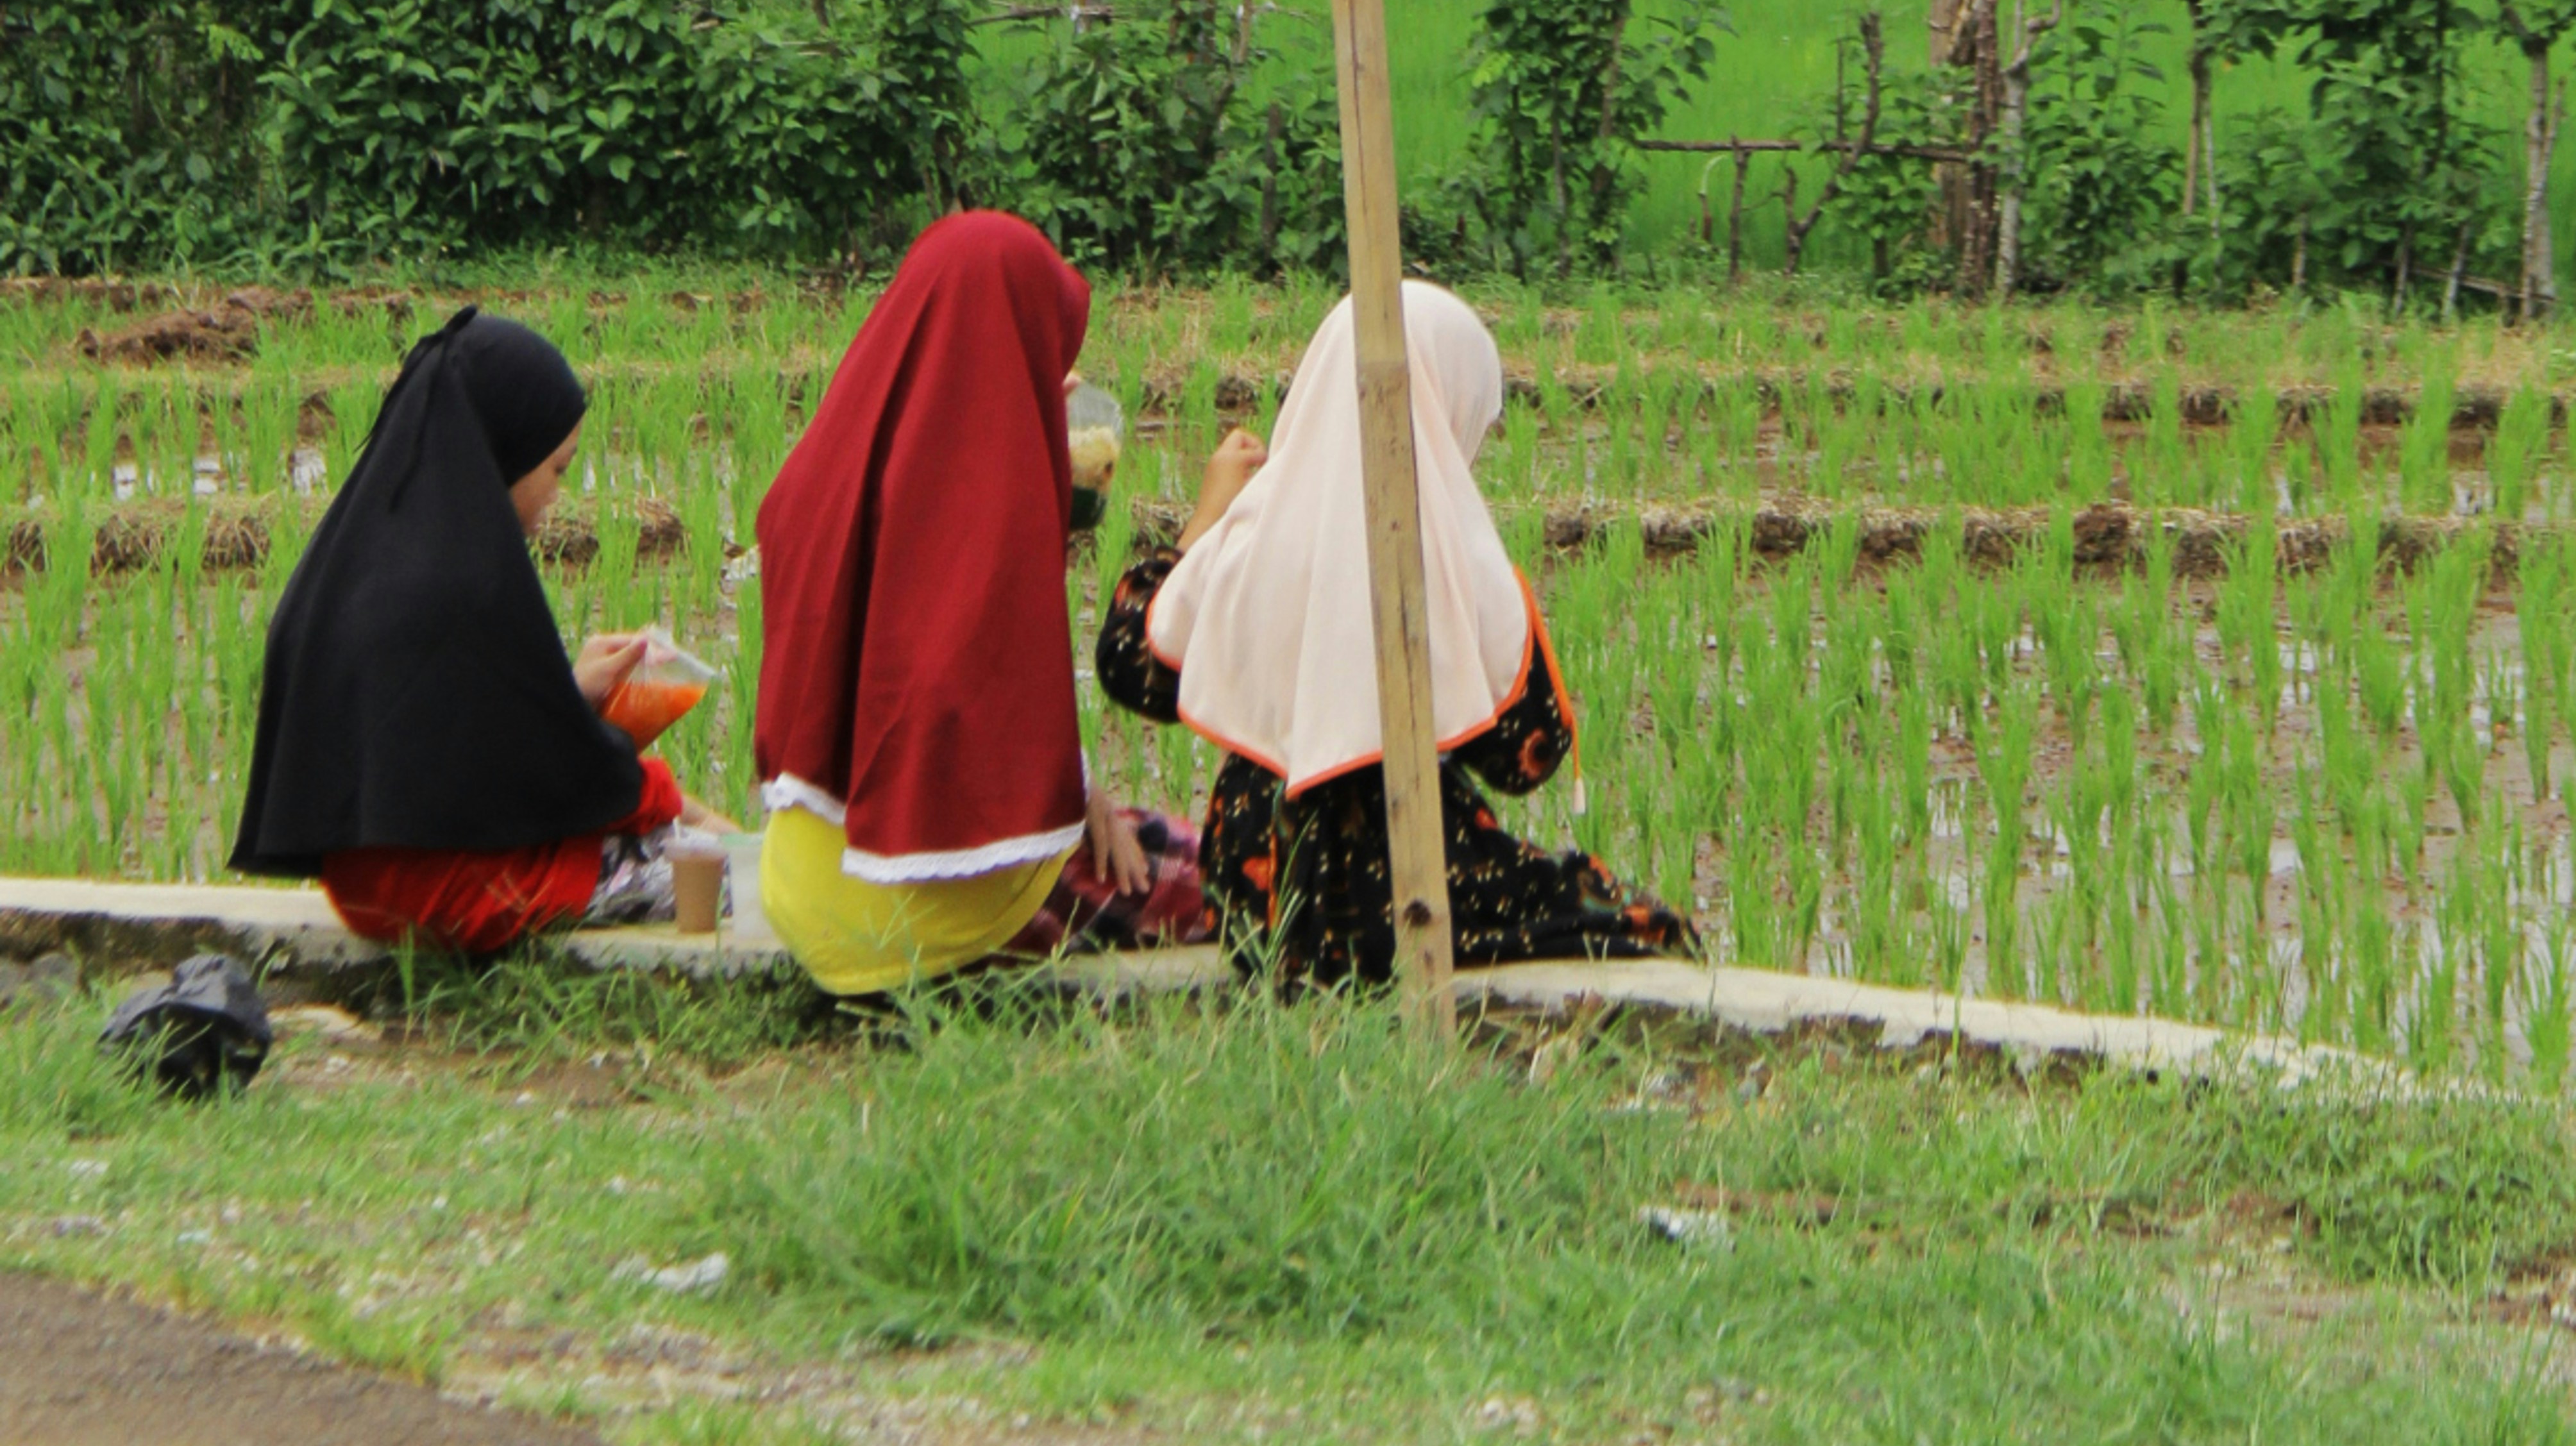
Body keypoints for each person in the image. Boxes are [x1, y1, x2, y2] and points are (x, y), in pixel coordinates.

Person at [1095, 277, 1692, 995]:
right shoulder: (1453, 554)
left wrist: (1201, 528)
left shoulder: (1252, 530)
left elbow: (1132, 665)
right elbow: (1526, 756)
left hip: (1257, 895)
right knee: (1642, 921)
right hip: (1401, 893)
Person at [753, 208, 1188, 995]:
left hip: (802, 888)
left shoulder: (827, 466)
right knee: (1203, 873)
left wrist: (1077, 788)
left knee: (1141, 831)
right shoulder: (993, 505)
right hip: (922, 908)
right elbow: (949, 694)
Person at [229, 311, 685, 950]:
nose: (558, 493)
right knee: (704, 870)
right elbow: (564, 777)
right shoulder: (468, 587)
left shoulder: (356, 562)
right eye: (555, 469)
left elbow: (463, 739)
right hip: (455, 889)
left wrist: (566, 690)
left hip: (366, 890)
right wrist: (664, 792)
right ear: (504, 448)